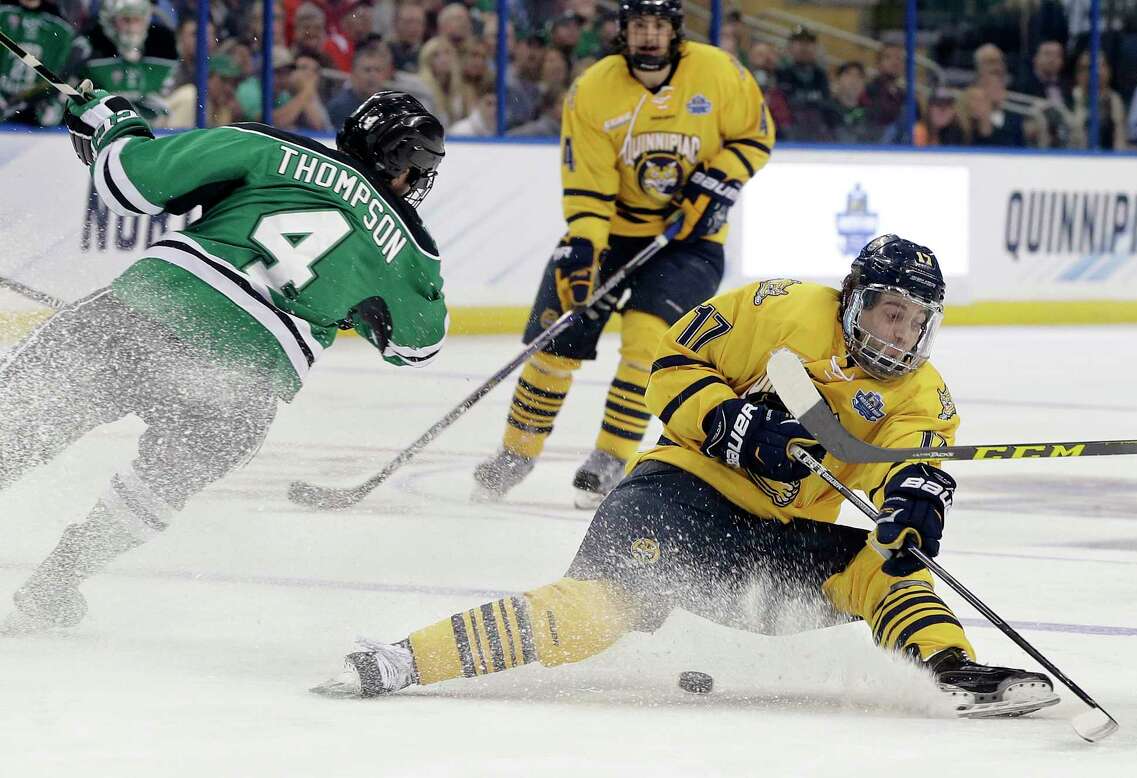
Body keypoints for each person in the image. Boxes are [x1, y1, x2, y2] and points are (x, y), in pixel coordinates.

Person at [316, 235, 1061, 723]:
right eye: (888, 313)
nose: (900, 334)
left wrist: (914, 516)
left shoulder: (924, 395)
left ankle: (951, 671)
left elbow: (919, 471)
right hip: (680, 498)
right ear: (851, 299)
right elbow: (669, 364)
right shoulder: (778, 309)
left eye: (914, 321)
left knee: (891, 569)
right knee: (597, 611)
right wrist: (733, 425)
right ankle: (403, 659)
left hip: (765, 552)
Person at [0, 89, 448, 633]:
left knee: (13, 429)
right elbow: (415, 348)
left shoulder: (266, 146)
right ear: (399, 164)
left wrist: (112, 125)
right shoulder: (412, 249)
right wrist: (353, 300)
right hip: (246, 386)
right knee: (157, 487)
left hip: (146, 315)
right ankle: (57, 582)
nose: (415, 180)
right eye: (416, 166)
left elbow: (128, 181)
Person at [472, 0, 774, 509]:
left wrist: (717, 179)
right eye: (639, 27)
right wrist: (584, 248)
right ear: (623, 33)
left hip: (688, 242)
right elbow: (587, 186)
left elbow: (756, 134)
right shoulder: (593, 89)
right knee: (556, 341)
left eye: (659, 26)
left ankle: (610, 457)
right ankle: (515, 453)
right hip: (611, 233)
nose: (650, 37)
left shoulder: (720, 72)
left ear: (675, 32)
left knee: (647, 345)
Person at [75, 0, 178, 123]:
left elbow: (165, 97)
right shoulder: (91, 46)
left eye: (137, 20)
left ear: (146, 20)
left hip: (152, 127)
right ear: (112, 21)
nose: (131, 28)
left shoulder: (165, 48)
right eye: (126, 20)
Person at [0, 0, 79, 126]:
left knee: (50, 116)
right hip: (4, 97)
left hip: (36, 105)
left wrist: (52, 100)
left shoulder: (61, 26)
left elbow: (64, 71)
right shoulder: (4, 13)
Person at [327, 42, 393, 128]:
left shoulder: (392, 105)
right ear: (353, 74)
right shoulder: (339, 106)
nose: (373, 75)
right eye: (367, 70)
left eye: (378, 70)